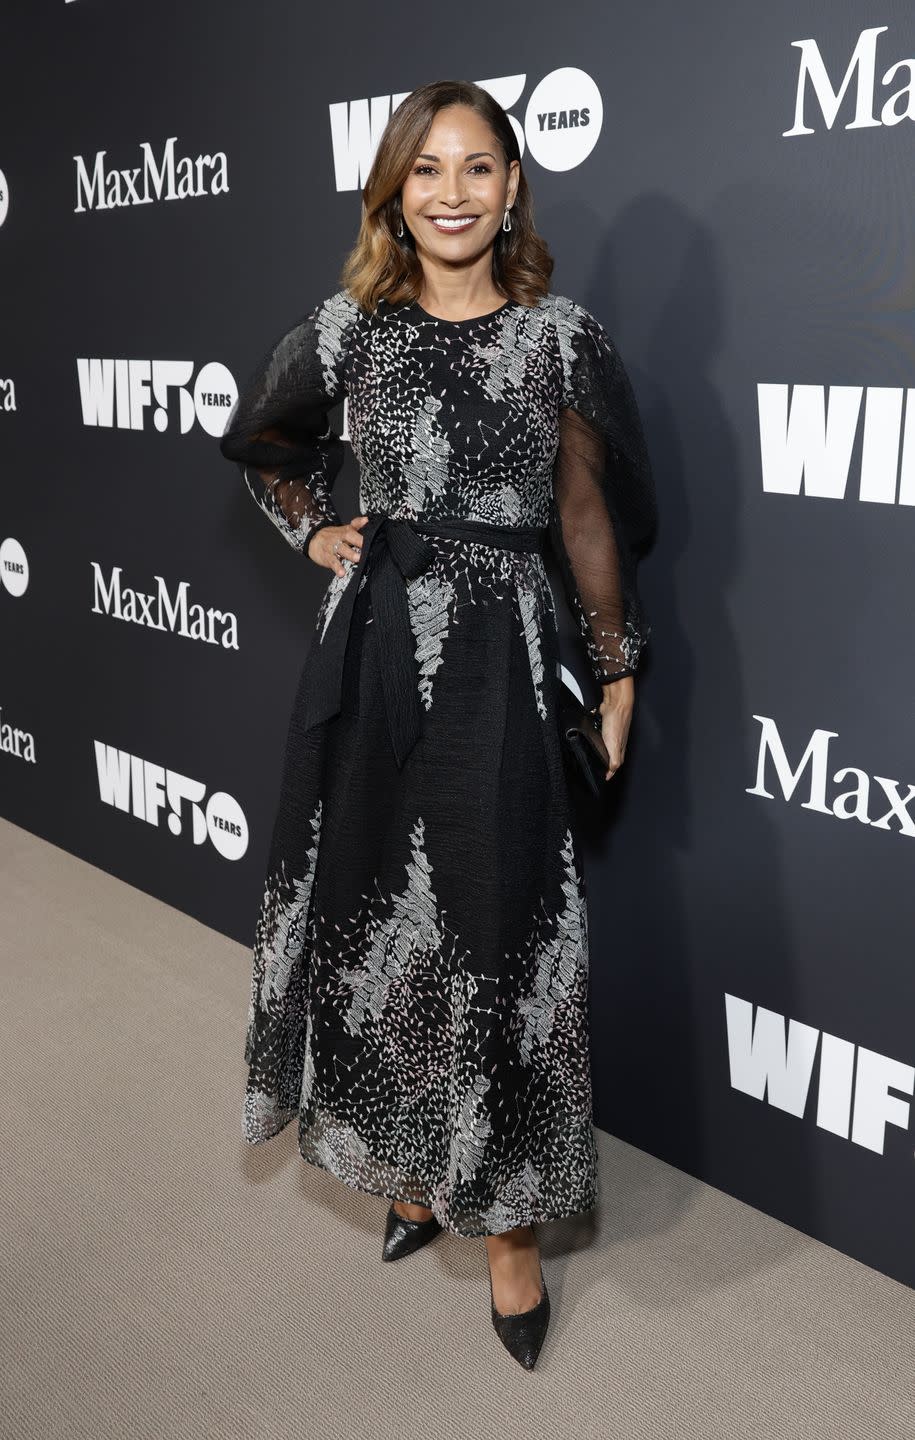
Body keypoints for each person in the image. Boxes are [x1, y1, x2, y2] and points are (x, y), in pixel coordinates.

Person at [218, 78, 655, 1369]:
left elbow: (585, 518)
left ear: (514, 186)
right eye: (428, 171)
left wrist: (617, 666)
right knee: (379, 920)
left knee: (505, 928)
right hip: (375, 655)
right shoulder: (350, 328)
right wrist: (314, 526)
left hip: (508, 664)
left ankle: (508, 1229)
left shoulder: (560, 339)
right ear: (395, 193)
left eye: (478, 168)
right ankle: (416, 1168)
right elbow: (264, 438)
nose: (453, 192)